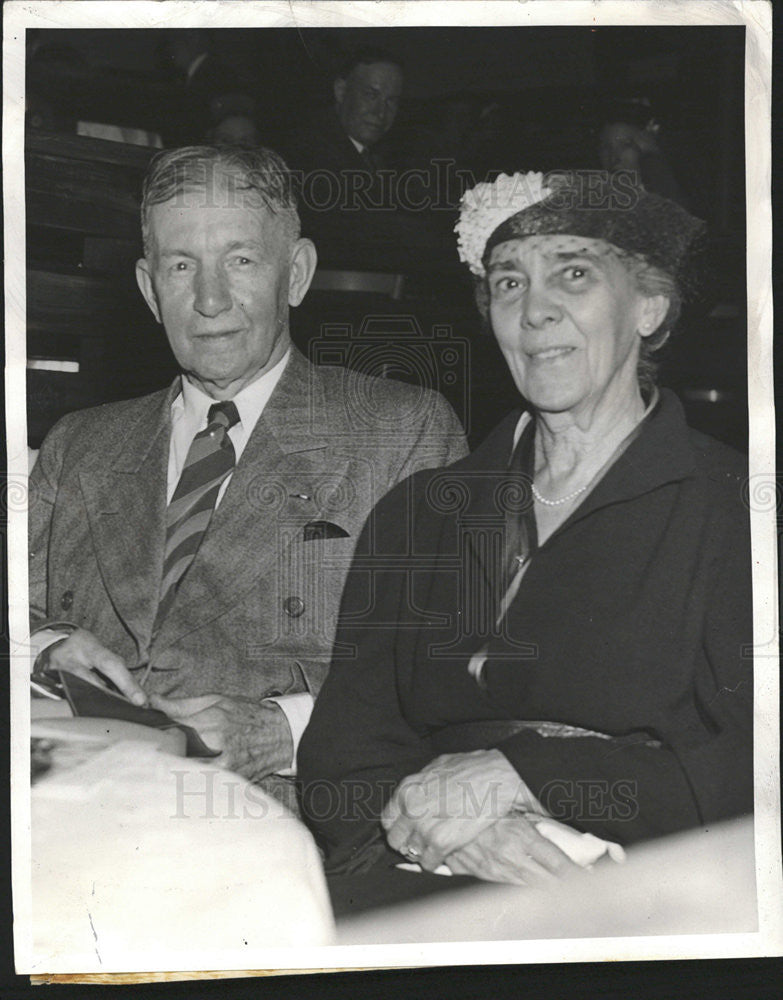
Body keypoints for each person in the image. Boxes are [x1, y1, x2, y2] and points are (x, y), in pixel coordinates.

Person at [299, 170, 753, 881]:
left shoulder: (735, 510)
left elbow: (751, 770)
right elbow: (338, 757)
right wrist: (456, 837)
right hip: (423, 874)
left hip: (650, 893)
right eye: (508, 282)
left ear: (648, 306)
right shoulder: (420, 512)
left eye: (572, 274)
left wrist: (526, 775)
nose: (533, 310)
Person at [28, 145, 467, 809]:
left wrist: (281, 732)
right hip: (75, 818)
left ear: (294, 274)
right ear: (149, 289)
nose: (208, 299)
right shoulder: (77, 445)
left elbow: (448, 672)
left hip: (284, 830)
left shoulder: (401, 433)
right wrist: (45, 647)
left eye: (239, 260)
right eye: (182, 266)